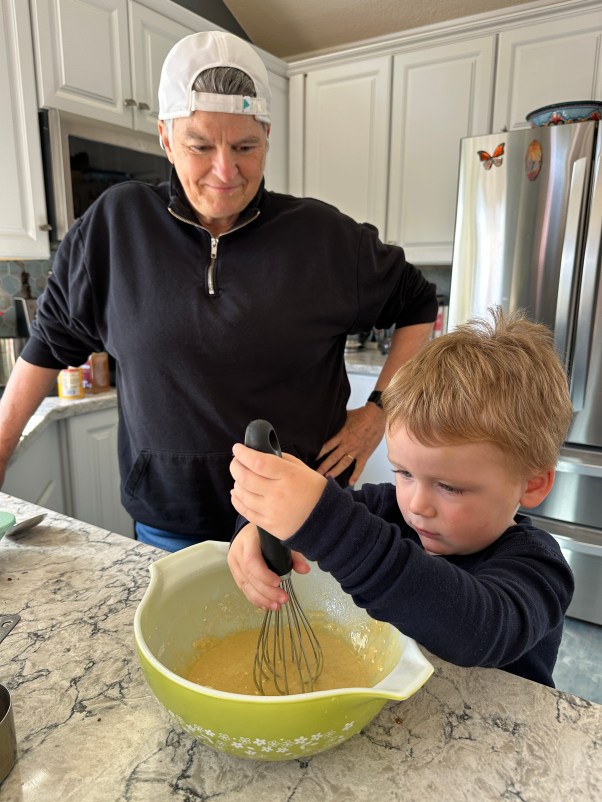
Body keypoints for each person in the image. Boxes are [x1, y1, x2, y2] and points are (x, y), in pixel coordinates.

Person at [0, 31, 437, 552]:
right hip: (169, 522)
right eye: (200, 146)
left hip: (302, 521)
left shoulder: (324, 238)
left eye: (246, 147)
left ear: (268, 137)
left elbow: (418, 303)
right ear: (165, 138)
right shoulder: (115, 227)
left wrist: (378, 413)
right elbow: (48, 344)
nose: (225, 172)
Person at [228, 307, 575, 686]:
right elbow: (313, 518)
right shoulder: (389, 508)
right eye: (404, 473)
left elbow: (478, 631)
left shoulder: (538, 567)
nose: (415, 505)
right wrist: (259, 529)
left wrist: (324, 522)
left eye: (450, 487)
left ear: (533, 484)